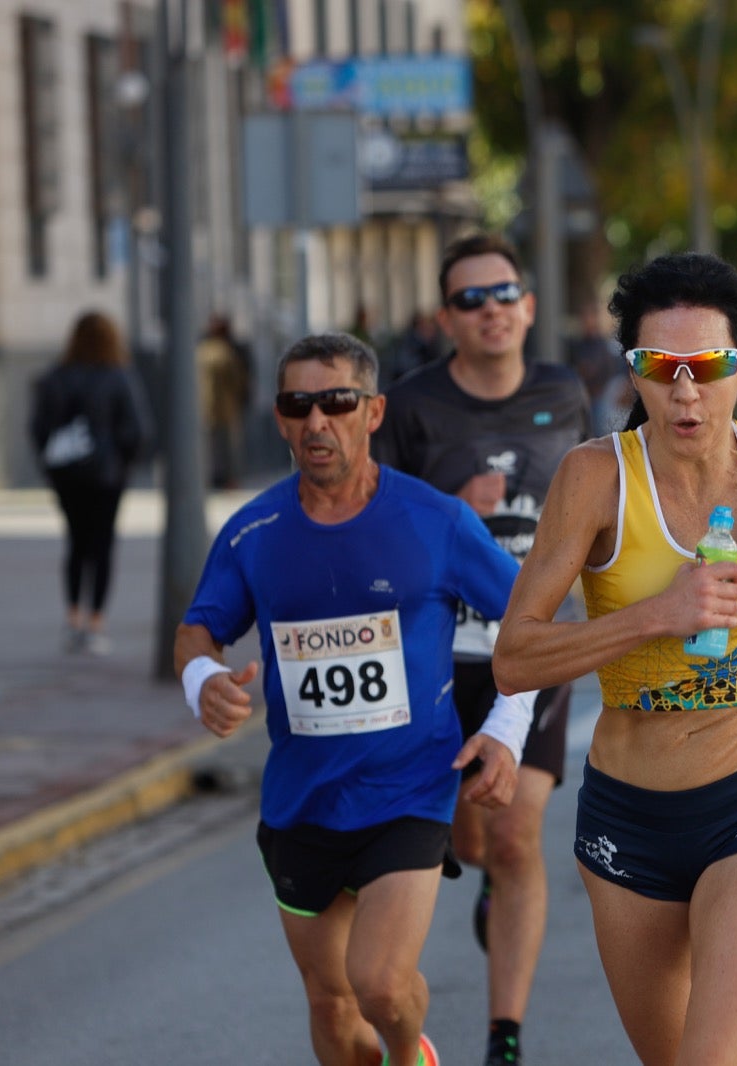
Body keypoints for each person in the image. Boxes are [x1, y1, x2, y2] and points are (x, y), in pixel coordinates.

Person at [492, 252, 737, 1066]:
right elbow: (515, 658)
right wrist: (655, 616)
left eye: (707, 366)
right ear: (631, 372)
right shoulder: (594, 478)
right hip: (630, 816)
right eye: (658, 366)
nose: (684, 391)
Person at [173, 331, 538, 1066]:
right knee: (332, 1009)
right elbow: (195, 632)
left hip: (410, 790)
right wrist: (203, 681)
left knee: (377, 983)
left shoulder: (434, 521)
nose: (317, 422)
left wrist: (505, 727)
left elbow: (528, 624)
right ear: (278, 418)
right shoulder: (255, 531)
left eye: (336, 402)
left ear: (372, 413)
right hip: (300, 801)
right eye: (297, 405)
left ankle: (411, 1056)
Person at [372, 233, 590, 1066]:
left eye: (504, 293)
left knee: (515, 834)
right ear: (445, 318)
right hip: (437, 656)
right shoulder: (412, 405)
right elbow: (379, 524)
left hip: (530, 641)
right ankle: (485, 877)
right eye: (471, 299)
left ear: (529, 306)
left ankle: (505, 1034)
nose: (491, 309)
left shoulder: (564, 392)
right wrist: (450, 507)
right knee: (468, 837)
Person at [30, 311, 154, 655]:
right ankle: (96, 622)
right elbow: (136, 430)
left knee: (76, 544)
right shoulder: (118, 376)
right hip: (106, 477)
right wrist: (123, 463)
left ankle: (72, 619)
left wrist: (51, 463)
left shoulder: (56, 377)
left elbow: (38, 427)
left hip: (67, 475)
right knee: (102, 547)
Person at [196, 312, 251, 489]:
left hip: (204, 408)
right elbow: (238, 381)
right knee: (228, 448)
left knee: (208, 448)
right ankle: (228, 480)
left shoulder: (201, 351)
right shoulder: (227, 353)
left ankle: (208, 478)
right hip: (226, 408)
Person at [565, 301, 625, 437]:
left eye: (590, 316)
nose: (587, 320)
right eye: (584, 316)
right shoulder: (578, 344)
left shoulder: (602, 344)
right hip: (582, 396)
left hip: (600, 396)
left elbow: (608, 369)